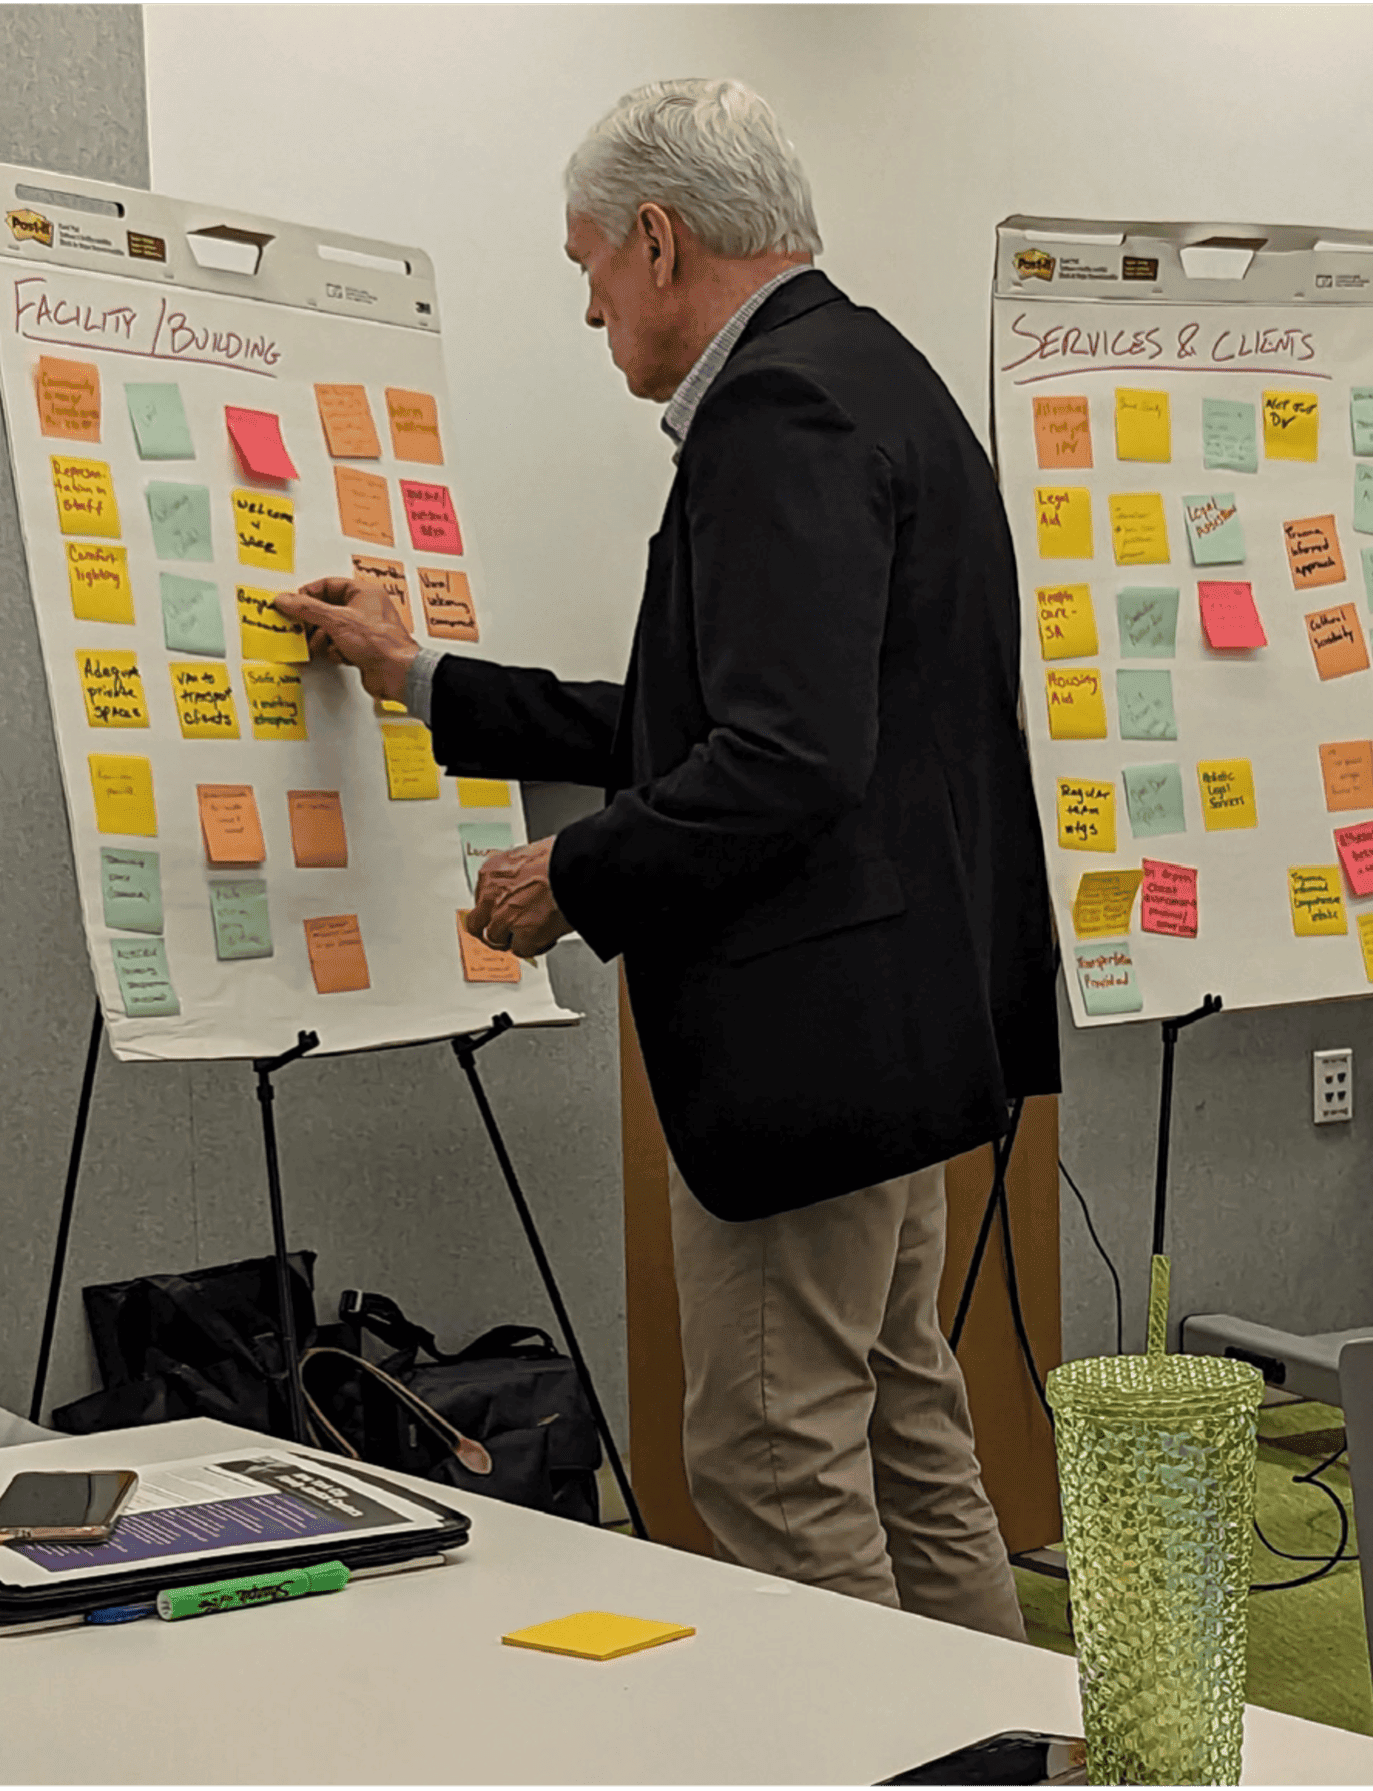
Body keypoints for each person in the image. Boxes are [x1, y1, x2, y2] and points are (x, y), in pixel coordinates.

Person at [275, 78, 1059, 1642]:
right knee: (906, 1430)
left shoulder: (778, 410)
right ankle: (1016, 1749)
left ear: (657, 238)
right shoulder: (878, 375)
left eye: (585, 268)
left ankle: (888, 1758)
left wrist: (570, 879)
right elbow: (721, 711)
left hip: (812, 1058)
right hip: (905, 1033)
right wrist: (426, 678)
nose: (586, 311)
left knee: (773, 1456)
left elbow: (777, 763)